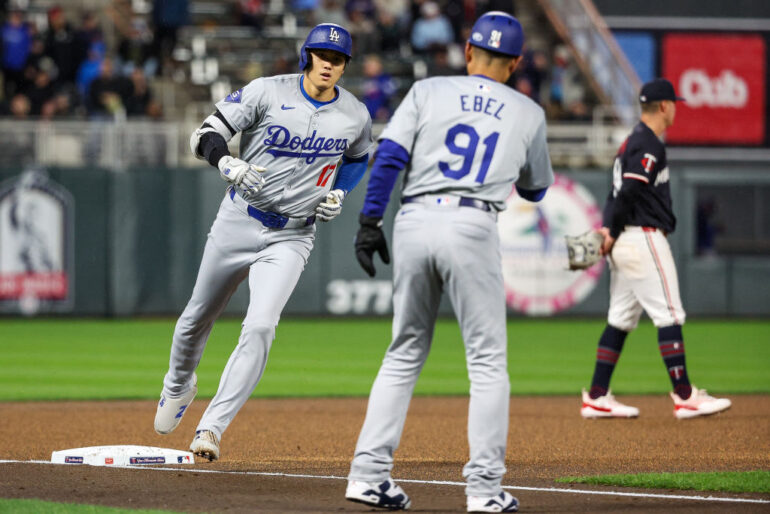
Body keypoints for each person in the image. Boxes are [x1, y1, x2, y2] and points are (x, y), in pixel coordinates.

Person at [346, 12, 553, 513]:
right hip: (472, 223)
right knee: (486, 362)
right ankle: (483, 490)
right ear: (517, 62)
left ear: (468, 52)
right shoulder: (528, 111)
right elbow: (536, 187)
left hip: (415, 218)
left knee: (403, 351)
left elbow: (390, 155)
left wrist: (370, 220)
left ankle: (368, 476)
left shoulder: (430, 90)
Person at [153, 23, 373, 461]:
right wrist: (226, 162)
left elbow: (358, 157)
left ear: (346, 64)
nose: (329, 63)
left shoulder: (355, 114)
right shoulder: (266, 92)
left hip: (293, 233)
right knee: (196, 317)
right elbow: (206, 135)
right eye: (321, 55)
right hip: (239, 218)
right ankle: (178, 385)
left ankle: (211, 429)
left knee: (260, 326)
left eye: (338, 58)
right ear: (306, 55)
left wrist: (340, 192)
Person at [580, 78, 731, 420]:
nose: (675, 107)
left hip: (626, 239)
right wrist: (613, 230)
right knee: (670, 314)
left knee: (619, 318)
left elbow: (614, 194)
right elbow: (630, 191)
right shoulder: (649, 144)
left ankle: (597, 396)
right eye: (674, 102)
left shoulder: (630, 143)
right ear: (665, 106)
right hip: (643, 237)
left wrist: (608, 231)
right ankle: (685, 395)